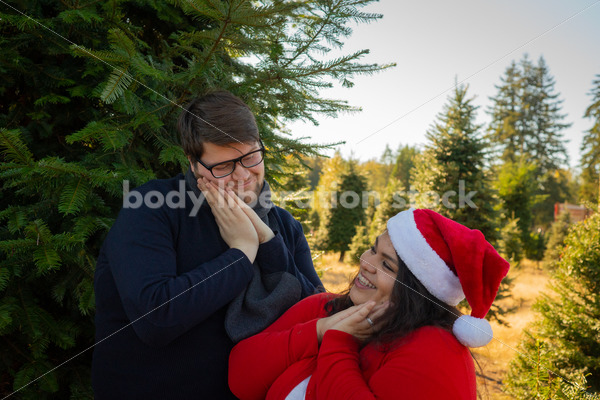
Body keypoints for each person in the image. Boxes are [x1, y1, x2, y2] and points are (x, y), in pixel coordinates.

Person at [92, 90, 322, 399]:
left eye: (250, 156)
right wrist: (241, 254)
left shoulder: (284, 226)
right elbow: (156, 318)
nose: (243, 175)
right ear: (193, 162)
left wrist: (267, 243)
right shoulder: (151, 208)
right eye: (224, 166)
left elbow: (317, 313)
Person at [229, 208, 510, 400]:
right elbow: (240, 378)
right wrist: (320, 330)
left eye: (386, 264)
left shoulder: (434, 349)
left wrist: (339, 343)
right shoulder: (326, 308)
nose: (366, 263)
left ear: (416, 290)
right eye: (373, 250)